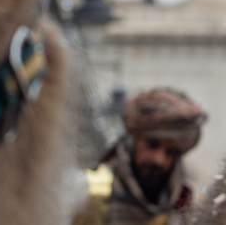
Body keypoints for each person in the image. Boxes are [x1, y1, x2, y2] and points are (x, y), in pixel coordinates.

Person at [75, 88, 206, 225]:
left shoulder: (181, 207)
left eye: (170, 152)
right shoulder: (84, 193)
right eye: (152, 145)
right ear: (132, 143)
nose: (159, 160)